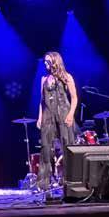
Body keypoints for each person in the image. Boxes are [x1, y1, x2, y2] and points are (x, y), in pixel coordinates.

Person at [36, 51, 78, 192]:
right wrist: (40, 117)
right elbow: (41, 101)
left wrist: (71, 114)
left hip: (64, 113)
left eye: (48, 61)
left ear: (55, 61)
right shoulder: (44, 79)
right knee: (45, 148)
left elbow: (74, 97)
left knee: (67, 145)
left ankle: (71, 181)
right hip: (48, 115)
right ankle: (43, 184)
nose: (45, 63)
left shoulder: (67, 77)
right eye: (45, 61)